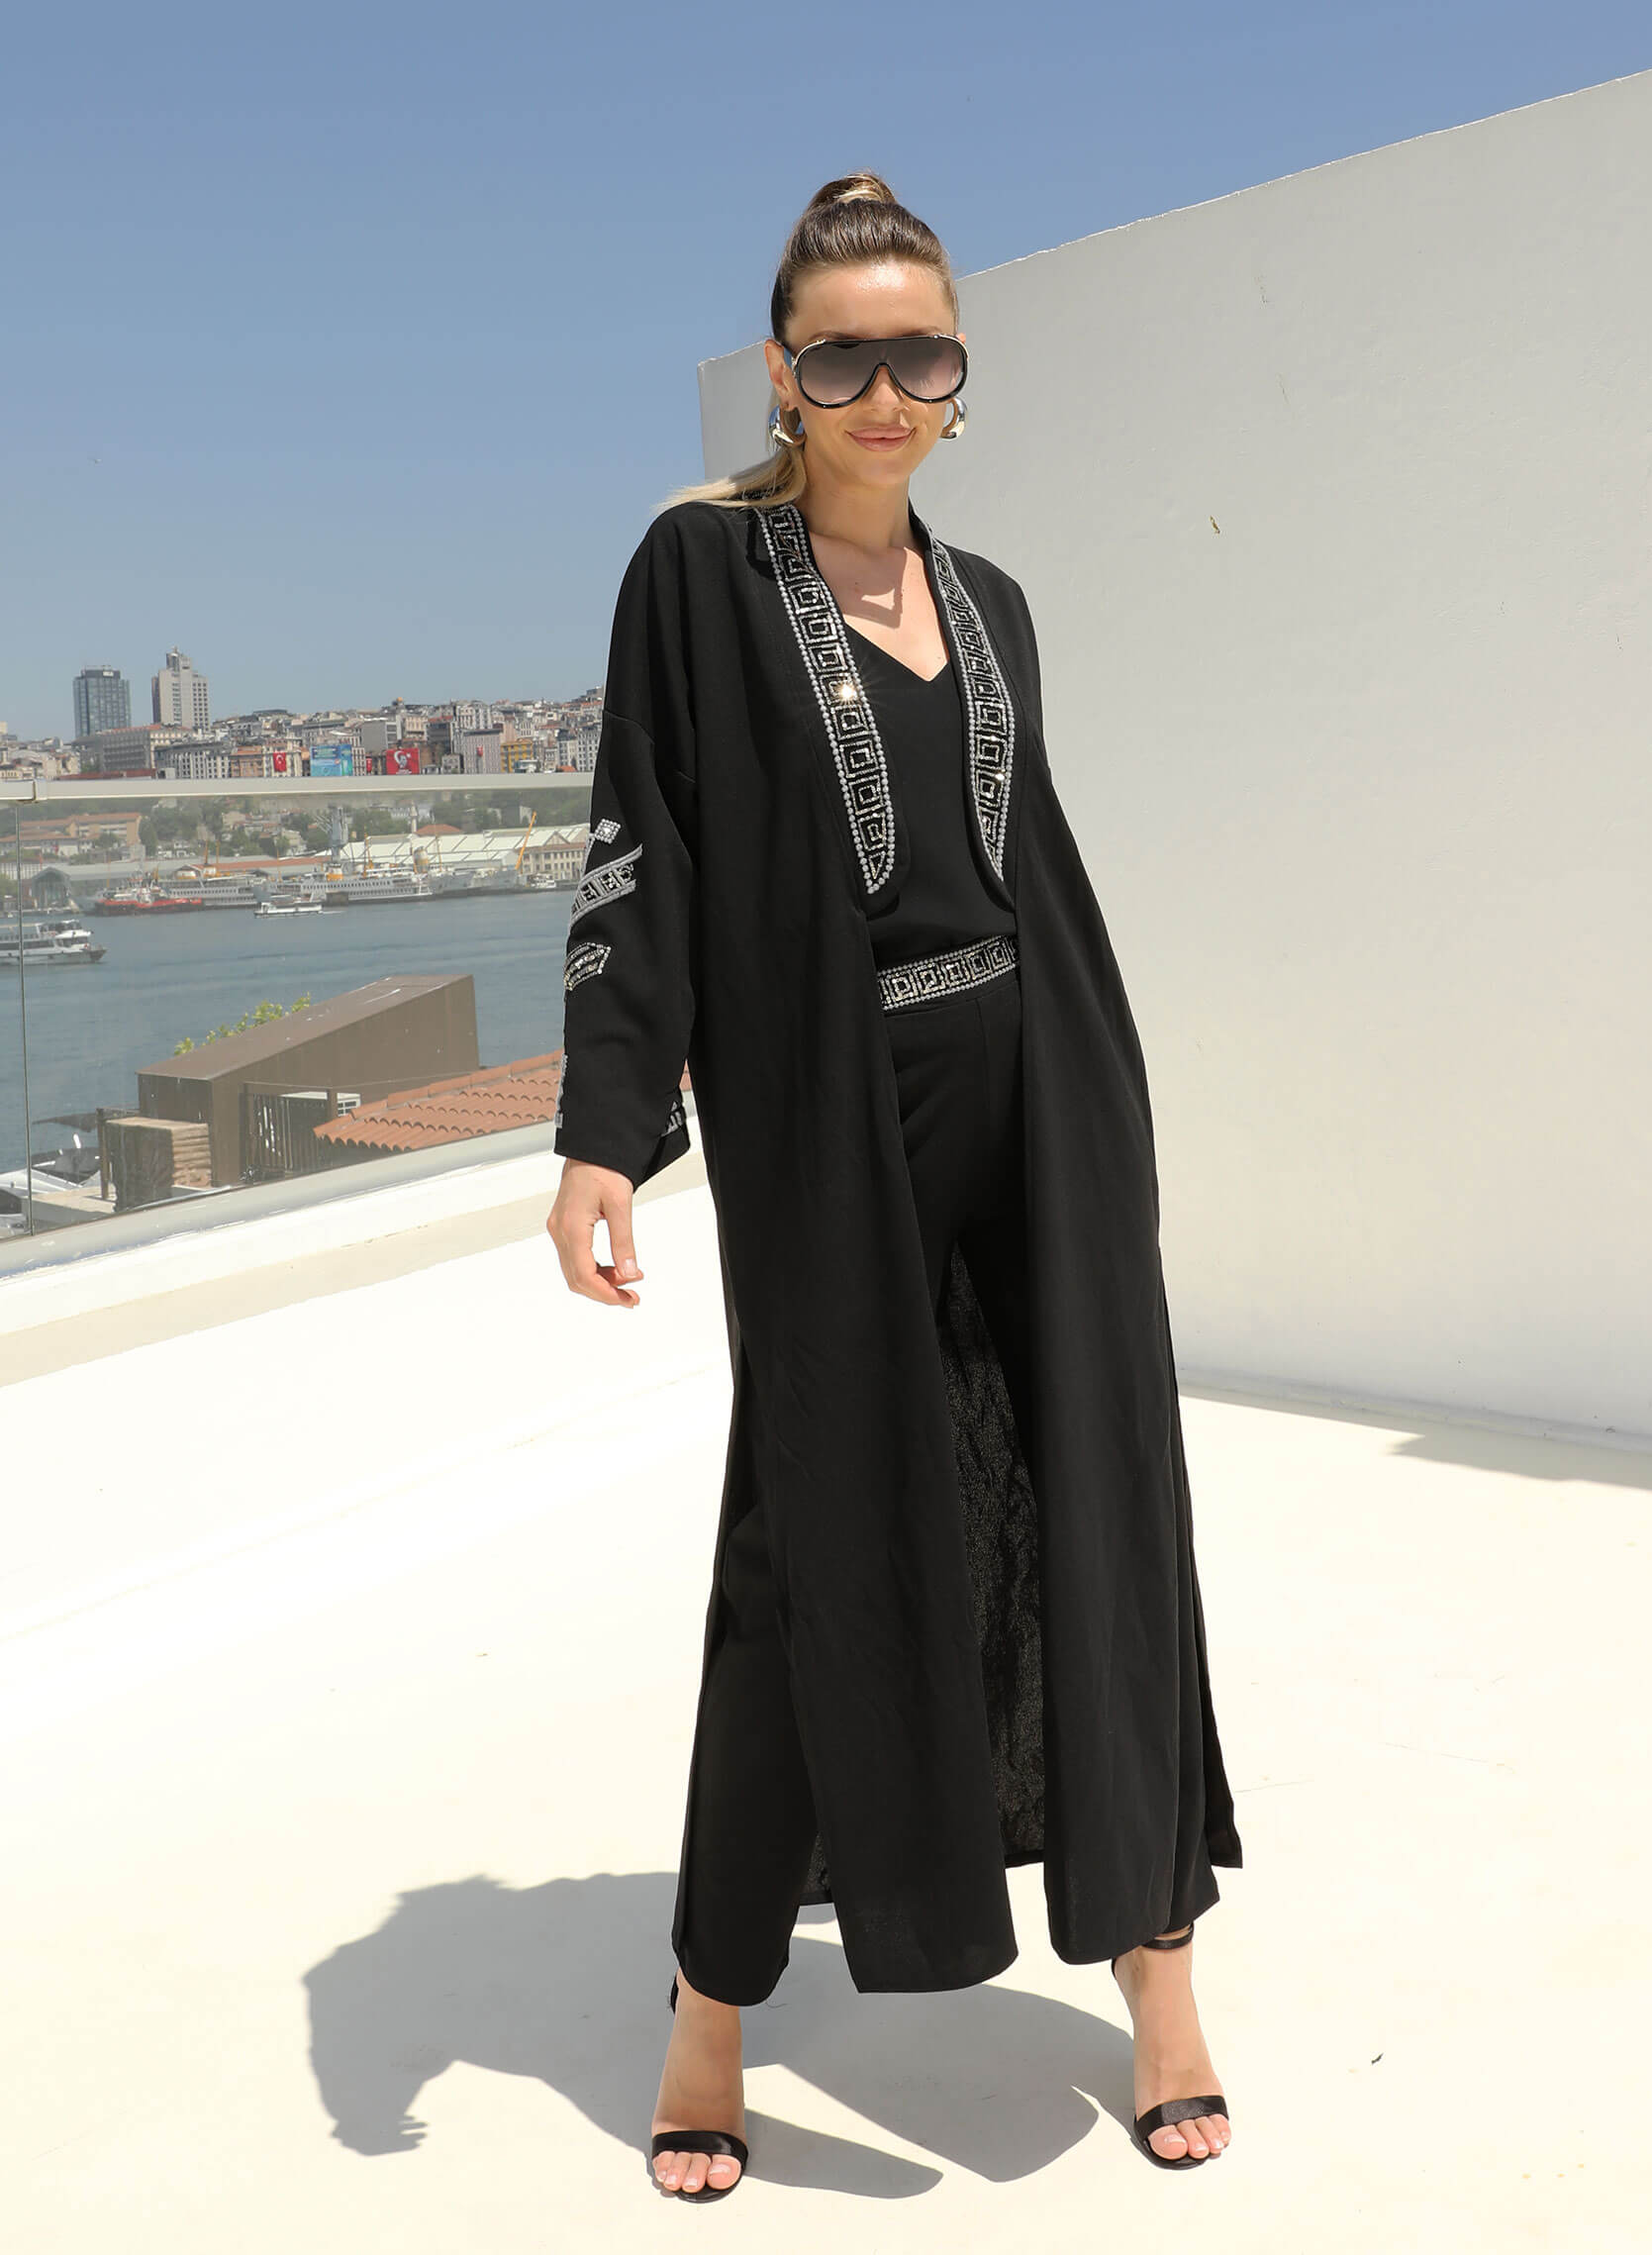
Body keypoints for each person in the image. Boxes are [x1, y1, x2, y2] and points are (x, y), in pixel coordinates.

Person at [546, 172, 1242, 2200]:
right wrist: (605, 1121)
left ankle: (1161, 1974)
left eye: (916, 355)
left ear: (957, 374)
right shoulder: (697, 570)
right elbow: (642, 840)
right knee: (812, 1527)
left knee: (1103, 1504)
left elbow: (1028, 865)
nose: (881, 392)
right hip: (831, 1116)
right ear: (785, 372)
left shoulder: (993, 598)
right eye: (840, 356)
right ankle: (711, 2001)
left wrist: (1098, 1106)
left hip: (1048, 1087)